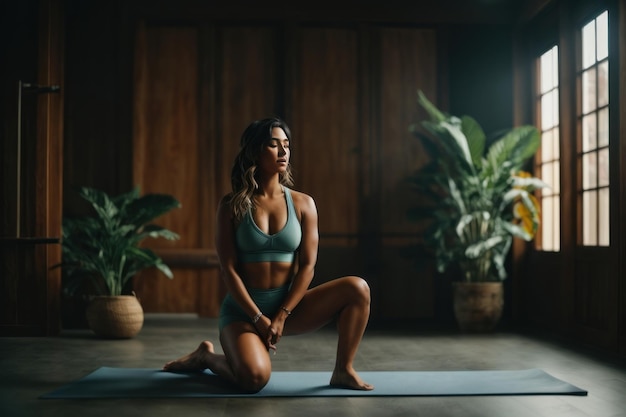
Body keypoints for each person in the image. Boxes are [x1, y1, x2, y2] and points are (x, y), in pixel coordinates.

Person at [163, 117, 373, 393]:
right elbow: (228, 269)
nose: (283, 152)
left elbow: (308, 266)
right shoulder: (231, 205)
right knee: (254, 379)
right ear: (255, 151)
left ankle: (343, 370)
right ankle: (208, 357)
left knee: (357, 288)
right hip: (243, 312)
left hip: (289, 308)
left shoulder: (303, 203)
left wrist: (282, 316)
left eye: (286, 145)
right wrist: (258, 318)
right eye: (274, 145)